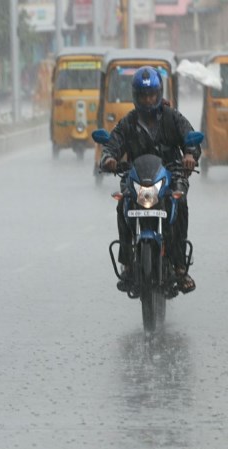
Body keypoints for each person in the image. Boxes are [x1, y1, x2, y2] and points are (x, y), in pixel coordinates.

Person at [100, 65, 200, 294]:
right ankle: (127, 262)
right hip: (137, 178)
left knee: (180, 201)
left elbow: (190, 138)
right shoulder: (129, 122)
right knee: (122, 202)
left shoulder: (172, 117)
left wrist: (189, 155)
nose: (148, 100)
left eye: (152, 94)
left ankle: (178, 265)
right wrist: (108, 159)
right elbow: (112, 144)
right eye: (143, 95)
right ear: (136, 96)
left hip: (171, 174)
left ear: (159, 93)